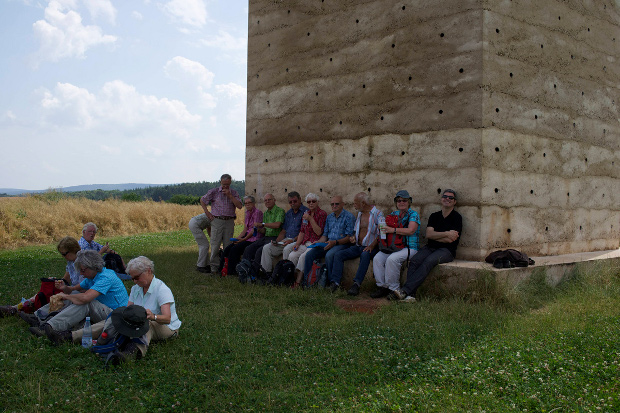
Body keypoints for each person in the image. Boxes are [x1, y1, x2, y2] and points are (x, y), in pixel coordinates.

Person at [64, 256, 181, 362]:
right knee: (116, 318)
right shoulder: (136, 289)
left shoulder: (161, 289)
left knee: (146, 323)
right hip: (140, 323)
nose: (135, 281)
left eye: (137, 277)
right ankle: (72, 336)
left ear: (149, 271)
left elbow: (167, 318)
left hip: (167, 327)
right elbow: (128, 309)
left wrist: (153, 316)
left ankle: (131, 353)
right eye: (132, 278)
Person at [35, 250, 129, 344]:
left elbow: (85, 298)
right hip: (104, 310)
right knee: (74, 294)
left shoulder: (106, 278)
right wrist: (65, 288)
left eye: (83, 270)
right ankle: (38, 316)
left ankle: (49, 327)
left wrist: (66, 296)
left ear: (94, 267)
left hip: (115, 315)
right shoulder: (92, 276)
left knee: (86, 303)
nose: (81, 273)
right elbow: (73, 289)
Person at [393, 189, 462, 302]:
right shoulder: (434, 216)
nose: (447, 199)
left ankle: (405, 291)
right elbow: (429, 234)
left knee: (428, 262)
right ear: (441, 199)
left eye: (451, 198)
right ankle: (411, 296)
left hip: (447, 250)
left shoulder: (457, 218)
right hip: (430, 247)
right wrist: (446, 234)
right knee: (414, 261)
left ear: (454, 202)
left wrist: (438, 235)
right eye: (445, 196)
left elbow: (452, 239)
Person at [1, 237, 83, 319]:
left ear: (73, 250)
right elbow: (66, 279)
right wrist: (56, 281)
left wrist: (68, 289)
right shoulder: (70, 262)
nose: (63, 256)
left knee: (58, 297)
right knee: (46, 291)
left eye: (64, 254)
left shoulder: (83, 262)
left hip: (80, 292)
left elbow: (84, 286)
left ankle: (35, 315)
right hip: (72, 289)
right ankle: (15, 308)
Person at [329, 192, 384, 295]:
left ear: (363, 203)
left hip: (371, 247)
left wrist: (372, 245)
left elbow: (382, 233)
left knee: (365, 254)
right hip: (358, 246)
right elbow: (355, 231)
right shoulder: (359, 213)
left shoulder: (378, 214)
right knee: (338, 255)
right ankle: (335, 283)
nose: (353, 205)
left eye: (355, 203)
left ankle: (356, 284)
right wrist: (353, 238)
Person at [370, 190, 421, 299]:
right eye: (399, 201)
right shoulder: (394, 214)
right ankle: (382, 287)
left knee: (392, 259)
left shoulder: (413, 214)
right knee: (377, 258)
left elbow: (411, 230)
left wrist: (392, 230)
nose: (401, 202)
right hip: (395, 246)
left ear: (409, 202)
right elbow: (385, 227)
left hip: (410, 247)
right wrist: (382, 227)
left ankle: (394, 289)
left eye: (404, 200)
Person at [301, 196, 355, 287]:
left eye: (337, 204)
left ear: (342, 204)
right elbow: (325, 235)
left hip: (342, 244)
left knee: (329, 255)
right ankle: (308, 282)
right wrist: (318, 242)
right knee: (310, 254)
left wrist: (335, 242)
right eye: (332, 204)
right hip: (329, 243)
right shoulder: (330, 217)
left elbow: (348, 237)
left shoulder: (349, 217)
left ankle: (330, 283)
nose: (334, 206)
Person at [258, 191, 308, 277]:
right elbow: (283, 231)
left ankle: (285, 276)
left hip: (297, 240)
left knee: (287, 249)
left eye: (295, 201)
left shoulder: (305, 212)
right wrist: (277, 241)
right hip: (285, 240)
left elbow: (304, 232)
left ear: (300, 200)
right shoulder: (289, 213)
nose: (292, 204)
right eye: (290, 202)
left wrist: (292, 240)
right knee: (267, 248)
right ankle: (266, 274)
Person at [200, 174, 243, 273]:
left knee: (228, 245)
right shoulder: (214, 192)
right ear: (220, 182)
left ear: (230, 183)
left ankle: (226, 267)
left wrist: (230, 195)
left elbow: (240, 206)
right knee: (215, 244)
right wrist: (207, 213)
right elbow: (202, 200)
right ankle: (214, 268)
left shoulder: (234, 193)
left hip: (229, 221)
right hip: (217, 220)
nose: (225, 186)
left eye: (227, 184)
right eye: (224, 184)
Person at [239, 193, 286, 274]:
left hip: (275, 237)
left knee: (259, 251)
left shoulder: (280, 211)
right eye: (265, 200)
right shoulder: (266, 213)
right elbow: (265, 230)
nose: (267, 202)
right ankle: (244, 269)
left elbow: (277, 225)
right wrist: (260, 230)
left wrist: (262, 224)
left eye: (269, 200)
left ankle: (254, 273)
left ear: (274, 200)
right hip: (266, 237)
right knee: (249, 248)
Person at [284, 193, 326, 279]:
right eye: (308, 202)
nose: (311, 203)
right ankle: (290, 277)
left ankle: (298, 281)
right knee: (292, 255)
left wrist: (311, 219)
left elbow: (319, 232)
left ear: (317, 202)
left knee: (303, 257)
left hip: (315, 243)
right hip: (305, 242)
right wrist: (297, 243)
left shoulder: (322, 214)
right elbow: (302, 231)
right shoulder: (306, 213)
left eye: (313, 201)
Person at [219, 196, 263, 276]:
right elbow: (245, 229)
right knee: (228, 248)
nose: (247, 205)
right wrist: (238, 238)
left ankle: (232, 272)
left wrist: (243, 239)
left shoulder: (257, 213)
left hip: (254, 238)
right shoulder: (247, 213)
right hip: (247, 236)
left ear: (253, 203)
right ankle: (221, 269)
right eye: (245, 203)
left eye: (249, 203)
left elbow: (254, 230)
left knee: (235, 249)